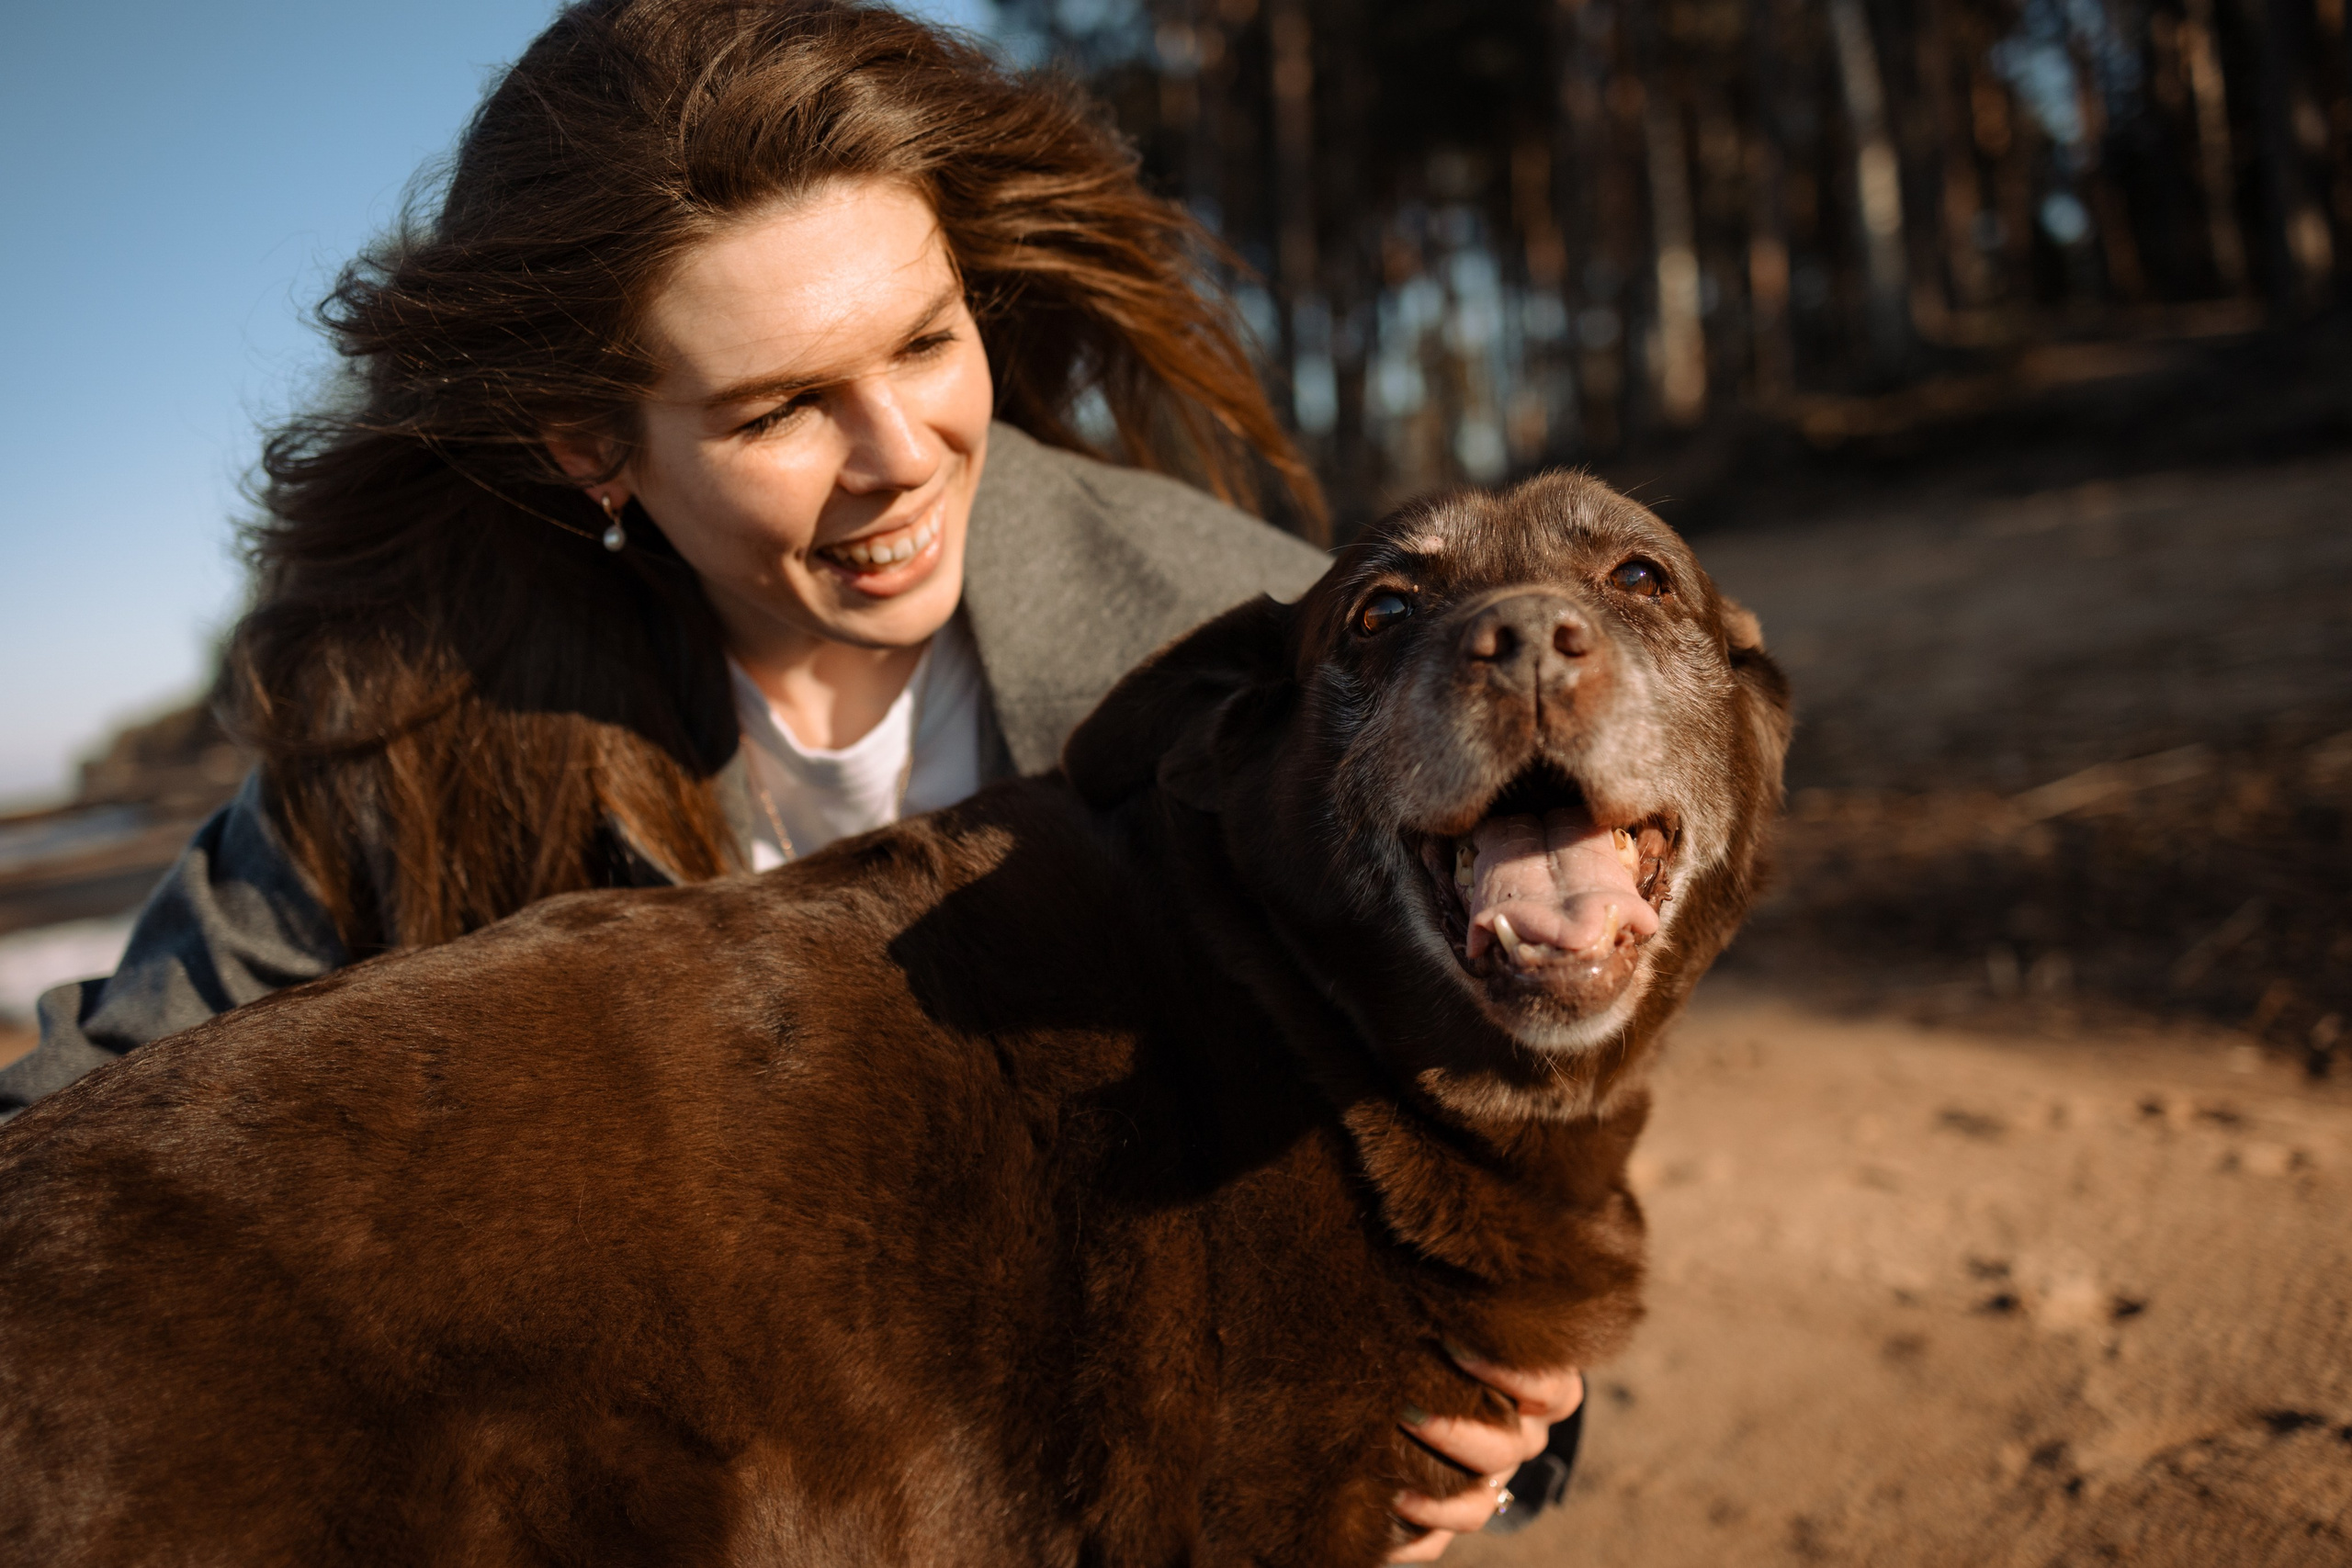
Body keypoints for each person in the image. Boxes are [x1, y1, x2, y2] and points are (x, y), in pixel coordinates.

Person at [0, 0, 1581, 1551]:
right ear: (591, 446)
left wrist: (1521, 1414)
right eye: (778, 410)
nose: (899, 450)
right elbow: (102, 1117)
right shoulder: (415, 725)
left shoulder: (1244, 660)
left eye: (926, 339)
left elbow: (1501, 1082)